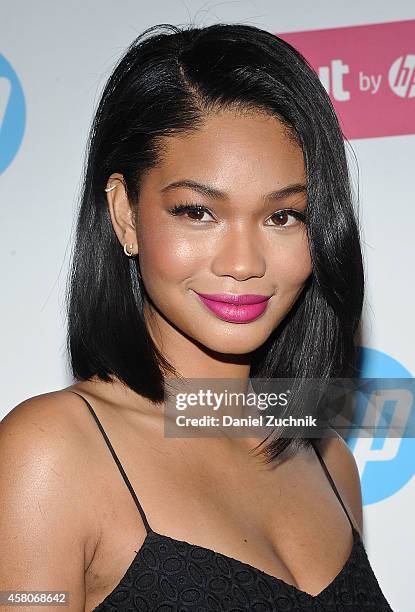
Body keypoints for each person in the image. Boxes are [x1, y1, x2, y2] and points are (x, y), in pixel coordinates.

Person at [0, 22, 394, 611]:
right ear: (126, 215)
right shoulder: (52, 455)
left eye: (284, 217)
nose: (243, 264)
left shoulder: (329, 460)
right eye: (198, 212)